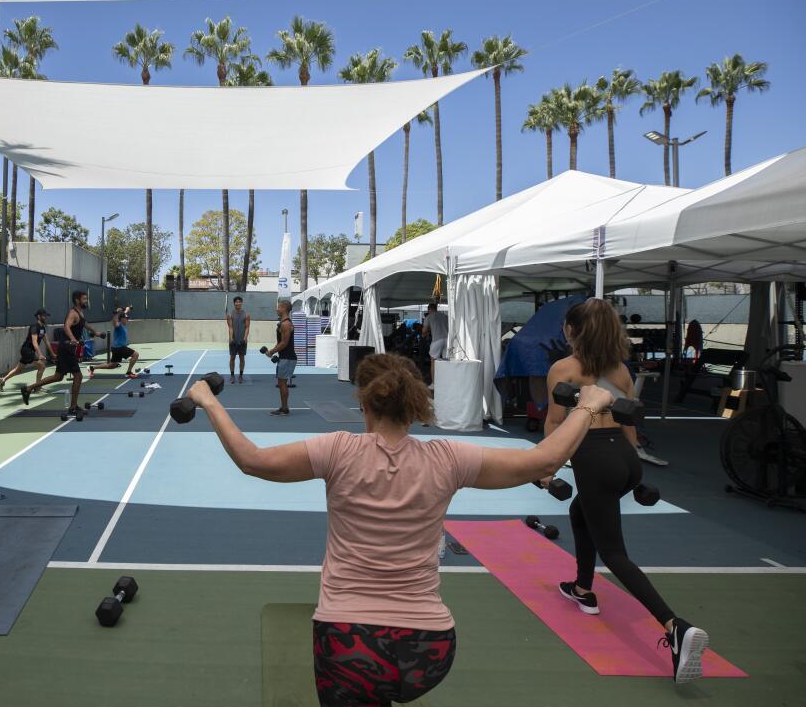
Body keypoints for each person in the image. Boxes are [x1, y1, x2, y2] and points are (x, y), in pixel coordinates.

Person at [185, 353, 616, 706]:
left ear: (364, 402)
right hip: (428, 650)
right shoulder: (447, 458)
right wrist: (588, 406)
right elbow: (542, 462)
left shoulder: (337, 450)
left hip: (348, 641)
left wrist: (208, 400)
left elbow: (253, 460)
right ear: (414, 402)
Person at [545, 298, 707, 684]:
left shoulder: (563, 369)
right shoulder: (620, 370)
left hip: (594, 459)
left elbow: (554, 423)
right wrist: (631, 476)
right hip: (624, 457)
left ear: (572, 330)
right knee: (580, 512)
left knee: (615, 553)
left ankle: (676, 627)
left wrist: (545, 470)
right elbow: (630, 425)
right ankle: (583, 588)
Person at [20, 290, 105, 416]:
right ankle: (73, 407)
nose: (86, 301)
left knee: (58, 377)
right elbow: (66, 326)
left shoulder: (80, 313)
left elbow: (84, 324)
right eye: (84, 299)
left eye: (86, 299)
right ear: (77, 300)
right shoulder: (73, 313)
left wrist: (96, 332)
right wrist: (72, 338)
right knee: (78, 376)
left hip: (67, 349)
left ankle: (28, 389)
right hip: (66, 348)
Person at [0, 308, 56, 391]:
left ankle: (2, 380)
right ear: (39, 316)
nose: (46, 317)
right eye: (44, 316)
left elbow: (47, 342)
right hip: (27, 350)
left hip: (29, 351)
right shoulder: (34, 327)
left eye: (46, 316)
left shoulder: (42, 328)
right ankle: (37, 387)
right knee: (42, 366)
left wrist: (53, 354)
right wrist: (40, 354)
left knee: (18, 370)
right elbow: (34, 342)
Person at [264, 299, 296, 416]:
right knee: (281, 382)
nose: (276, 309)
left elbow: (284, 343)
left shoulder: (285, 324)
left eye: (278, 307)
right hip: (285, 357)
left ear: (283, 308)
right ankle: (284, 407)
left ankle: (285, 408)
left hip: (287, 357)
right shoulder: (284, 323)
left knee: (282, 383)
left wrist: (271, 351)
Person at [89, 307, 139, 378]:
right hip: (120, 347)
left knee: (112, 365)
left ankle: (92, 368)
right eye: (126, 318)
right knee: (135, 355)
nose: (127, 319)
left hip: (116, 348)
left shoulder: (123, 324)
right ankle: (128, 372)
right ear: (121, 319)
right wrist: (115, 314)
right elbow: (114, 322)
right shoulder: (119, 325)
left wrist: (127, 310)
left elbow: (123, 314)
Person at [226, 296, 251, 384]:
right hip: (233, 340)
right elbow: (230, 327)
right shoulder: (229, 314)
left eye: (239, 302)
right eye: (236, 302)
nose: (238, 303)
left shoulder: (246, 315)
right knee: (232, 358)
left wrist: (245, 338)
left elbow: (247, 327)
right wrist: (231, 338)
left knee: (242, 358)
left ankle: (240, 376)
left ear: (242, 303)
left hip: (242, 340)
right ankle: (232, 376)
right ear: (234, 303)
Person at [422, 302, 448, 382]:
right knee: (446, 361)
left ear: (429, 309)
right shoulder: (445, 316)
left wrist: (423, 335)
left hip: (437, 340)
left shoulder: (429, 317)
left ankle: (434, 383)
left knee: (433, 361)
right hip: (447, 340)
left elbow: (424, 331)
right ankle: (445, 381)